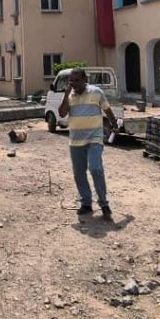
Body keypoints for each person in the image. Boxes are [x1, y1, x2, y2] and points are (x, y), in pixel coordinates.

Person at [58, 68, 120, 220]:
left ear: (85, 80)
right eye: (71, 81)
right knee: (79, 174)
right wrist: (66, 95)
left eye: (77, 80)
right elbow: (62, 113)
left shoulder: (96, 92)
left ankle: (104, 204)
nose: (74, 83)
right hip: (75, 141)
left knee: (95, 168)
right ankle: (86, 203)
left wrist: (114, 125)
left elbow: (107, 110)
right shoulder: (69, 96)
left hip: (94, 138)